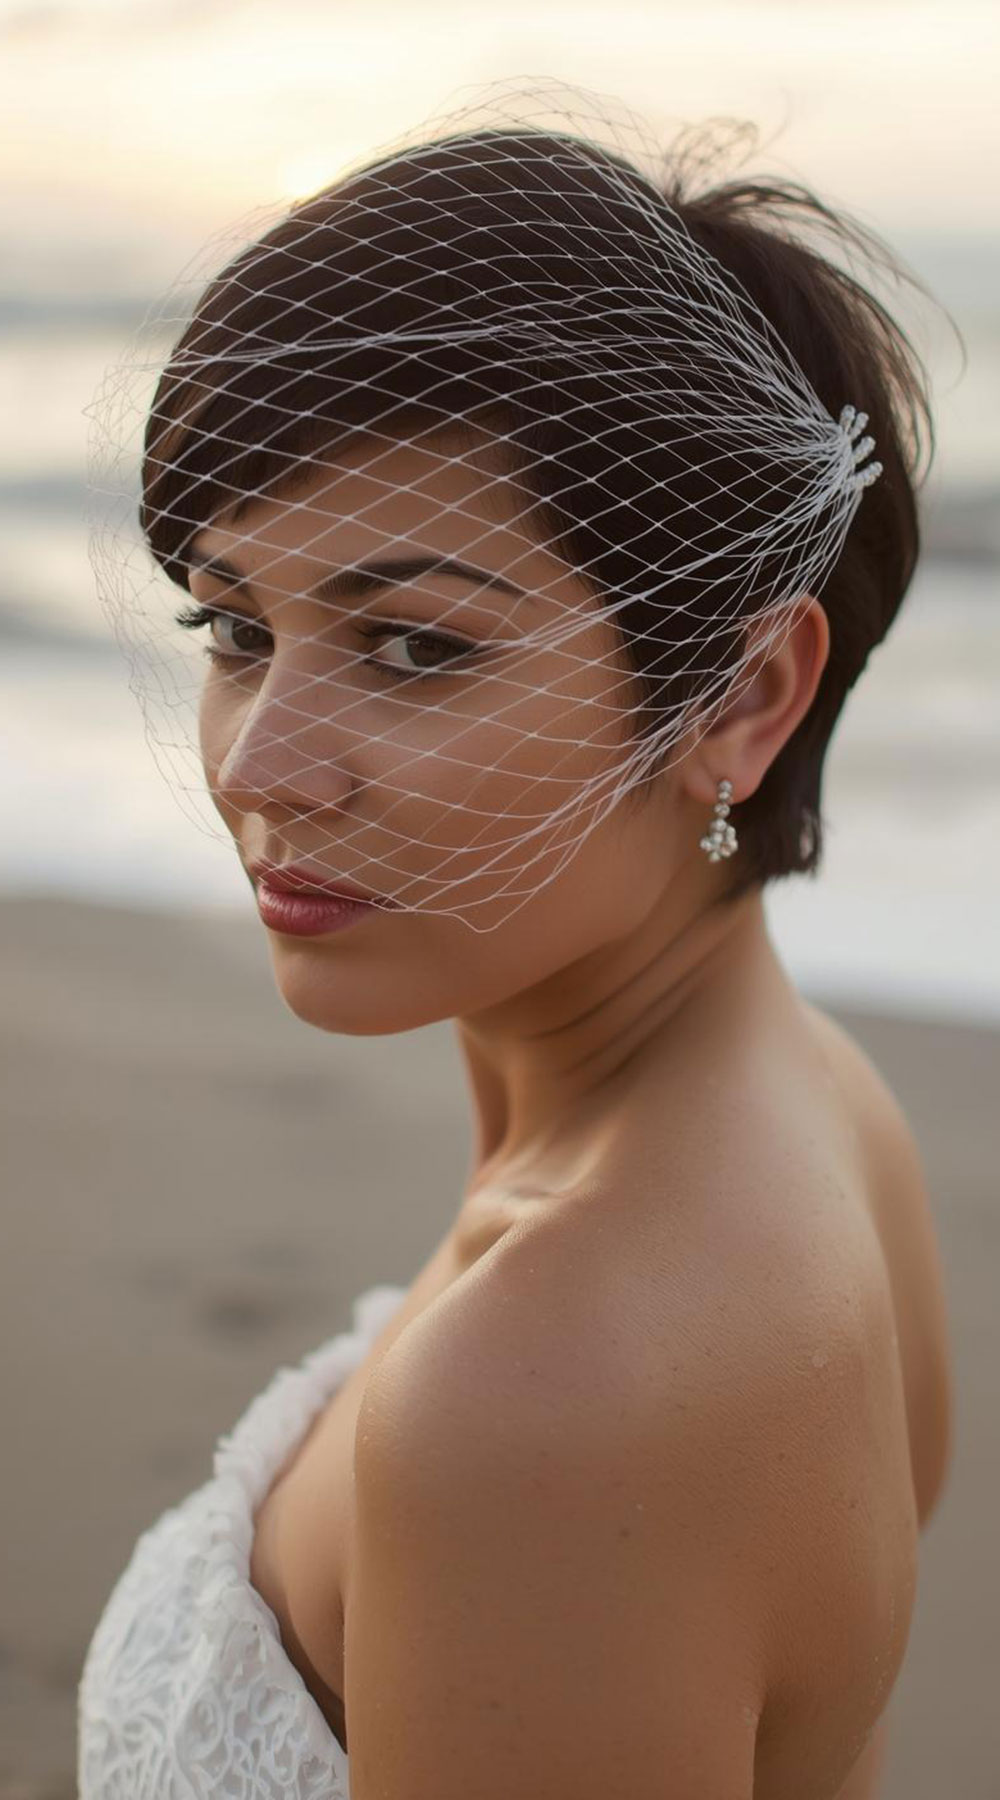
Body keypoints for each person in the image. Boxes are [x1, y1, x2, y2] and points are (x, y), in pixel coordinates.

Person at [79, 98, 954, 1800]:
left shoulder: (557, 1393)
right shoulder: (820, 1110)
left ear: (745, 693)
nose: (260, 765)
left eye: (411, 646)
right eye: (237, 626)